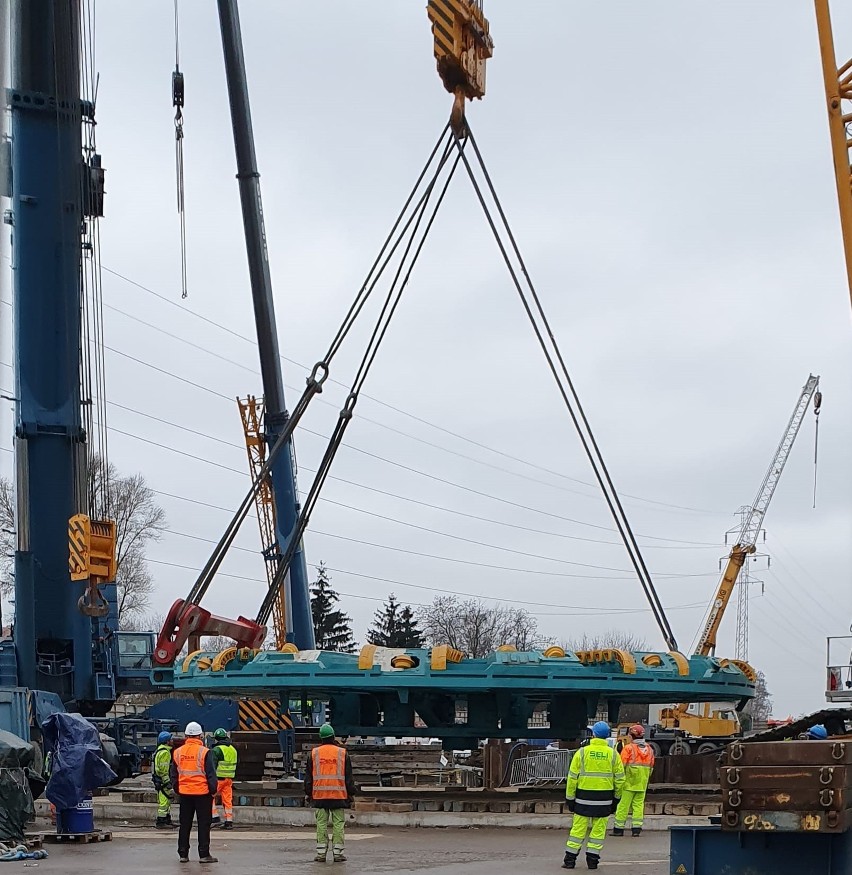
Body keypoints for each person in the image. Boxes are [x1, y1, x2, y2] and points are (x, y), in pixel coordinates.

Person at [564, 721, 625, 870]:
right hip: (604, 801)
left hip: (582, 800)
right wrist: (616, 799)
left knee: (577, 831)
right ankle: (592, 861)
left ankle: (570, 861)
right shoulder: (613, 754)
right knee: (598, 833)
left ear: (593, 735)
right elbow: (620, 780)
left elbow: (572, 778)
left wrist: (570, 799)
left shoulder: (582, 752)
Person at [304, 723, 356, 863]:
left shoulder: (314, 754)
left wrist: (309, 793)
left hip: (319, 796)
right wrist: (351, 793)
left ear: (321, 738)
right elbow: (348, 777)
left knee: (321, 824)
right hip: (338, 796)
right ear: (333, 736)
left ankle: (321, 854)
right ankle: (338, 854)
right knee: (338, 824)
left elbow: (309, 777)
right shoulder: (342, 753)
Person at [169, 721, 219, 864]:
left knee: (185, 824)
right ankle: (204, 855)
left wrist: (177, 788)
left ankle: (183, 854)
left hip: (185, 794)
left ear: (186, 736)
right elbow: (211, 774)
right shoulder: (204, 752)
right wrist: (213, 791)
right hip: (202, 794)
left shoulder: (178, 752)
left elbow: (173, 774)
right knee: (204, 824)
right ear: (200, 736)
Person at [612, 724, 655, 837]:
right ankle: (636, 829)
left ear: (631, 736)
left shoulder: (628, 748)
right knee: (638, 806)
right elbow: (651, 767)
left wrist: (617, 781)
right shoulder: (649, 749)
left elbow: (621, 766)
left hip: (628, 783)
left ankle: (618, 829)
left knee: (623, 806)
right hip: (642, 783)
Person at [210, 728, 238, 830]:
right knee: (227, 800)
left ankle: (215, 818)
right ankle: (229, 821)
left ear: (216, 739)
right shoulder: (233, 749)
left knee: (209, 796)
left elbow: (212, 766)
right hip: (229, 779)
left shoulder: (216, 750)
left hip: (218, 779)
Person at [153, 731, 178, 830]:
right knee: (164, 802)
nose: (172, 741)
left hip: (160, 781)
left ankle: (166, 820)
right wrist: (167, 781)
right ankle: (161, 821)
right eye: (170, 739)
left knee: (166, 800)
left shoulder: (160, 751)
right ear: (167, 741)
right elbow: (163, 769)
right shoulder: (165, 752)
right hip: (163, 781)